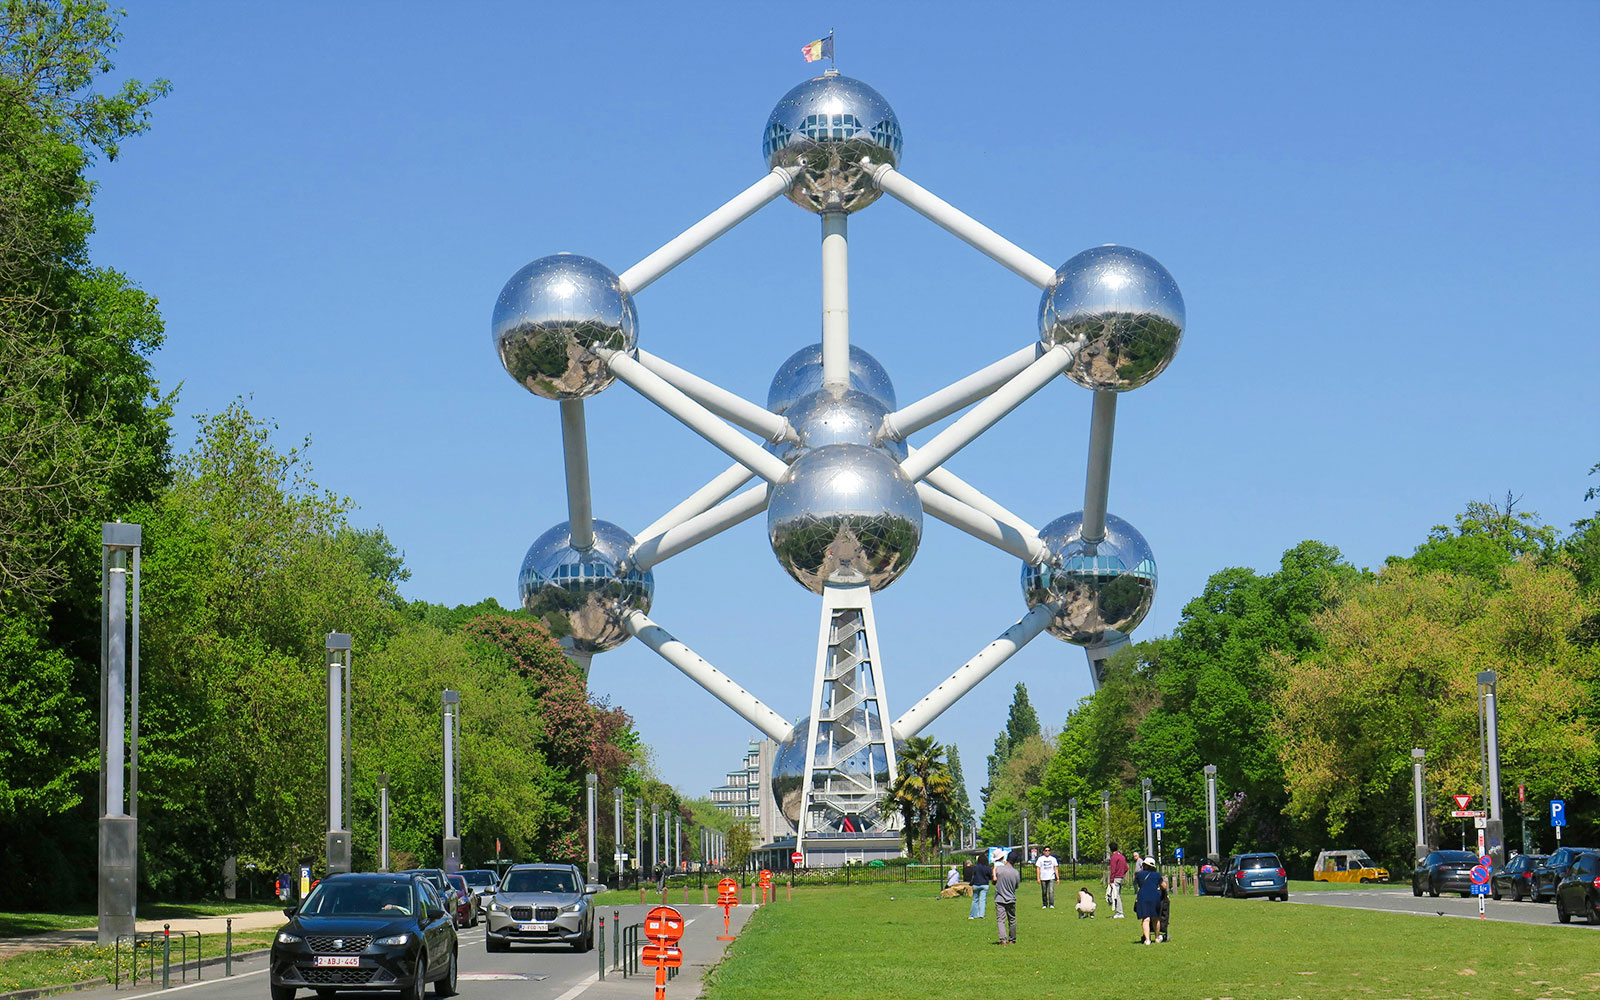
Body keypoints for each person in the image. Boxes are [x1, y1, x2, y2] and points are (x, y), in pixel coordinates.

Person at [1133, 856, 1161, 944]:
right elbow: (1163, 885)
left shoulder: (1139, 875)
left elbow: (1137, 883)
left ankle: (1147, 939)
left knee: (1146, 918)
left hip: (1143, 896)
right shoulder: (1157, 875)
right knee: (1155, 918)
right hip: (1155, 896)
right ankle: (1157, 937)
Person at [993, 853, 1020, 944]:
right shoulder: (1016, 872)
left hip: (1000, 898)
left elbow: (994, 880)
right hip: (1011, 898)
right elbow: (1016, 886)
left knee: (1001, 920)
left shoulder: (999, 869)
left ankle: (1003, 940)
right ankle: (1012, 939)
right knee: (1012, 919)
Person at [1106, 843, 1128, 918]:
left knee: (1116, 895)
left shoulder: (1114, 857)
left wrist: (1111, 880)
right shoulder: (1122, 856)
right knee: (1117, 894)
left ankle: (1119, 912)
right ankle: (1118, 911)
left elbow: (1113, 869)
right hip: (1121, 877)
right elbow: (1126, 868)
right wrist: (1122, 873)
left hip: (1116, 878)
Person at [969, 853, 993, 919]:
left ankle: (973, 915)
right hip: (984, 884)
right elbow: (990, 876)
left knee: (975, 900)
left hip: (976, 884)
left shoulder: (976, 867)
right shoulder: (987, 867)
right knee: (982, 900)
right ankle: (981, 915)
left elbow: (973, 876)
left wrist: (971, 883)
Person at [1155, 872, 1171, 942]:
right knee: (1158, 917)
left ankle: (1147, 937)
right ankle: (1158, 936)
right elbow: (1164, 886)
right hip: (1160, 901)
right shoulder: (1156, 876)